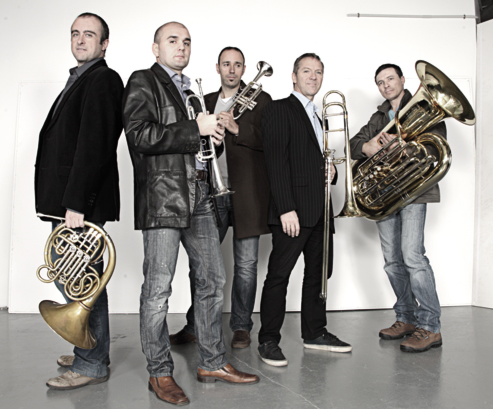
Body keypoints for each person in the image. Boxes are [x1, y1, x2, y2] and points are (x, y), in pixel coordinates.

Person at [122, 22, 259, 406]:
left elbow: (197, 145)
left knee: (213, 280)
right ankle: (159, 372)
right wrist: (194, 127)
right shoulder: (143, 81)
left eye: (186, 42)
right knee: (158, 290)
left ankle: (212, 362)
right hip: (164, 198)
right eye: (172, 41)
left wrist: (212, 138)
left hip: (200, 194)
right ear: (156, 48)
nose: (181, 47)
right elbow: (139, 135)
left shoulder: (191, 89)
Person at [34, 12, 123, 389]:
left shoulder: (103, 79)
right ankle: (91, 349)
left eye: (89, 34)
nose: (81, 39)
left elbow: (95, 144)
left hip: (78, 204)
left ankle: (92, 363)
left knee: (83, 283)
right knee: (78, 280)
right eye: (75, 33)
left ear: (104, 44)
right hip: (70, 201)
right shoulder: (81, 78)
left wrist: (77, 203)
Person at [170, 46, 272, 349]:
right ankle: (195, 325)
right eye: (226, 64)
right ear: (217, 68)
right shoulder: (206, 101)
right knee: (201, 265)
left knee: (246, 265)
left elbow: (272, 140)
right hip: (211, 194)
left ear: (244, 69)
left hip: (248, 195)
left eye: (237, 65)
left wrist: (237, 127)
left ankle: (241, 326)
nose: (231, 69)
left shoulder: (262, 100)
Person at [258, 53, 352, 367]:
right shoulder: (278, 109)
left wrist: (332, 172)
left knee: (319, 275)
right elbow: (275, 162)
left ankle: (315, 332)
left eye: (318, 72)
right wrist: (286, 209)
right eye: (307, 71)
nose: (313, 76)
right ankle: (268, 340)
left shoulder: (320, 116)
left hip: (320, 210)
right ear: (294, 76)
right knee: (279, 276)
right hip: (293, 211)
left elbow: (314, 161)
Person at [349, 63, 445, 353]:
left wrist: (402, 147)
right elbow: (354, 144)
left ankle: (430, 327)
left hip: (414, 191)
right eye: (380, 82)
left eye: (390, 79)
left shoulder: (424, 109)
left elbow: (436, 147)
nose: (386, 85)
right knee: (392, 261)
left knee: (412, 257)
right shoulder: (379, 117)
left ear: (403, 79)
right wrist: (370, 148)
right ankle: (406, 318)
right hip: (386, 194)